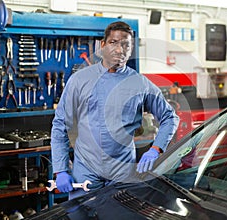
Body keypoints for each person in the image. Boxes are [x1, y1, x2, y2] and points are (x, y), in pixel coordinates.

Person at [50, 21, 179, 199]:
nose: (120, 50)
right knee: (80, 215)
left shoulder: (139, 83)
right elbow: (60, 125)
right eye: (114, 43)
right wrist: (60, 169)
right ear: (102, 45)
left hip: (122, 170)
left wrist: (156, 149)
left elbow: (169, 117)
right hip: (86, 169)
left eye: (126, 44)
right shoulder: (79, 80)